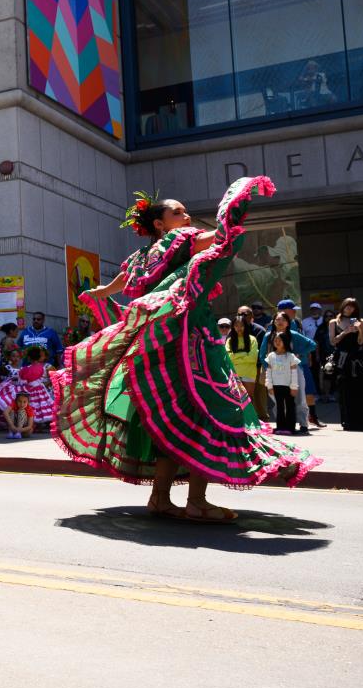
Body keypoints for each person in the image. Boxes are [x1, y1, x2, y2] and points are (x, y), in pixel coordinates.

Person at [58, 180, 319, 524]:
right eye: (177, 212)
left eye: (185, 211)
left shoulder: (140, 257)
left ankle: (160, 498)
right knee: (210, 410)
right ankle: (196, 500)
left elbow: (119, 281)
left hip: (158, 348)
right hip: (190, 340)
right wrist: (233, 215)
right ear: (159, 224)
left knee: (173, 419)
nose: (186, 216)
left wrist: (101, 291)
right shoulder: (180, 239)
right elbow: (218, 239)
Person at [260, 311, 315, 434]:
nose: (280, 322)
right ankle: (282, 425)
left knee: (299, 397)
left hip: (294, 370)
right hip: (275, 373)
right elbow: (261, 354)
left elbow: (312, 345)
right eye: (277, 320)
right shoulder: (268, 336)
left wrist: (298, 353)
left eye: (283, 320)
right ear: (273, 322)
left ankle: (303, 424)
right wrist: (268, 367)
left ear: (288, 323)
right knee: (276, 400)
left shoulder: (294, 334)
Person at [277, 298, 324, 428]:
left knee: (309, 390)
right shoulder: (277, 325)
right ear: (283, 311)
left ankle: (312, 416)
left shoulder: (297, 322)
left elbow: (306, 342)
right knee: (289, 395)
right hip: (286, 365)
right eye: (292, 310)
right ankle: (290, 422)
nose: (294, 312)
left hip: (302, 363)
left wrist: (307, 355)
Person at [329, 298, 363, 431]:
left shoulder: (361, 321)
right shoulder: (334, 322)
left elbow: (360, 342)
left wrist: (359, 330)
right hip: (342, 358)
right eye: (347, 306)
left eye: (352, 307)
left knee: (360, 389)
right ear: (343, 307)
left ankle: (361, 422)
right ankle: (347, 421)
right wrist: (345, 332)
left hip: (357, 358)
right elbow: (333, 341)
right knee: (344, 390)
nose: (349, 309)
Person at [0, 345, 54, 431]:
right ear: (39, 357)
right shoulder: (43, 368)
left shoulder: (25, 369)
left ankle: (27, 425)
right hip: (40, 390)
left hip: (28, 390)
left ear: (29, 358)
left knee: (28, 406)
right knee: (39, 406)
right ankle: (36, 424)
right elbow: (42, 379)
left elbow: (21, 382)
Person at [265, 333, 301, 435]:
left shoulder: (291, 356)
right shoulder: (271, 356)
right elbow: (268, 372)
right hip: (276, 386)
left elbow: (294, 372)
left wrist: (294, 386)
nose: (277, 342)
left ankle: (290, 427)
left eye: (279, 340)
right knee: (279, 406)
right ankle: (280, 426)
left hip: (288, 386)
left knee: (290, 406)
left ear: (285, 341)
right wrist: (269, 385)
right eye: (275, 340)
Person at [224, 315, 259, 400]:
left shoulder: (252, 339)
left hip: (249, 374)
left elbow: (253, 358)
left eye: (241, 326)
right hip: (235, 374)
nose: (239, 328)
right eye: (236, 326)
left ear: (245, 326)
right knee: (236, 401)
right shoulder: (229, 340)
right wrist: (244, 355)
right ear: (233, 327)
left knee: (249, 400)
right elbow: (228, 358)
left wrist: (236, 357)